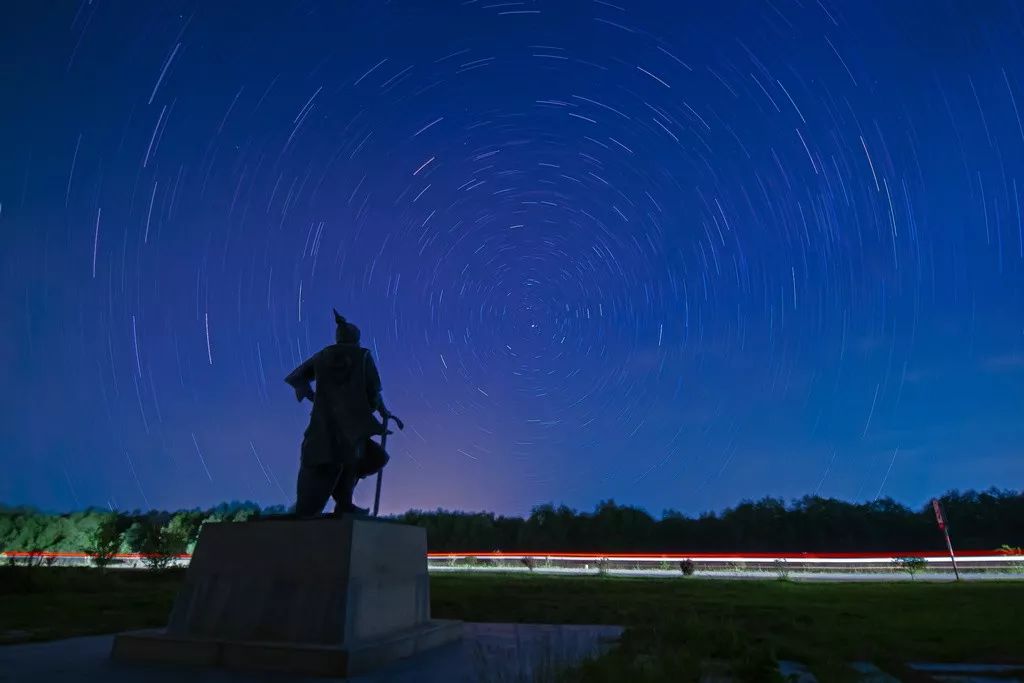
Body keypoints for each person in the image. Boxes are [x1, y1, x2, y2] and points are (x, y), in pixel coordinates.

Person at [285, 310, 391, 516]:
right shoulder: (363, 356)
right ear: (356, 339)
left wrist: (312, 396)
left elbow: (297, 377)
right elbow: (374, 392)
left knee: (345, 460)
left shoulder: (323, 356)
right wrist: (380, 411)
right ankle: (344, 504)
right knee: (358, 459)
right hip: (351, 425)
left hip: (323, 425)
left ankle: (343, 503)